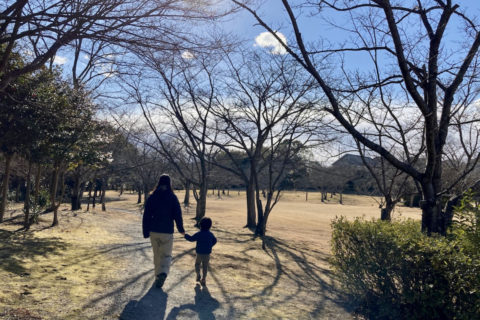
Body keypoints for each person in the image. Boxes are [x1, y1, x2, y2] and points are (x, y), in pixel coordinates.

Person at [143, 174, 185, 288]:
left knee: (157, 254)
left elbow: (146, 215)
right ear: (169, 183)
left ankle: (157, 276)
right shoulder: (172, 197)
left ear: (159, 182)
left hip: (154, 230)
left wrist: (145, 231)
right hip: (167, 231)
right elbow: (178, 215)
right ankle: (163, 273)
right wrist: (181, 229)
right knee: (166, 255)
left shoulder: (152, 197)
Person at [184, 217, 217, 286]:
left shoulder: (199, 233)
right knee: (205, 266)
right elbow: (215, 241)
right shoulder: (210, 234)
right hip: (207, 253)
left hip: (199, 253)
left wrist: (185, 235)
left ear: (200, 225)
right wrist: (210, 246)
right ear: (210, 226)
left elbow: (191, 239)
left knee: (197, 264)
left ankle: (198, 274)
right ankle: (204, 279)